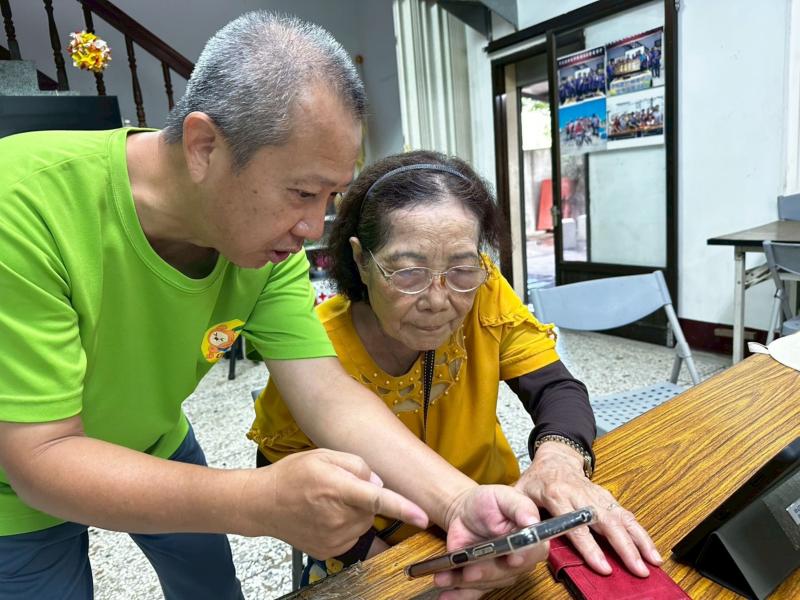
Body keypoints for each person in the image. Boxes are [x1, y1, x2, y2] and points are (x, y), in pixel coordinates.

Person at [0, 12, 552, 600]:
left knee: (210, 583)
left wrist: (458, 500)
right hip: (17, 488)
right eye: (303, 192)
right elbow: (43, 455)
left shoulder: (262, 245)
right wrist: (256, 500)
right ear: (204, 145)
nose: (314, 226)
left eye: (331, 196)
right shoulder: (25, 206)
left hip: (156, 438)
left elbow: (328, 394)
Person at [250, 150, 663, 586]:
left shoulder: (482, 290)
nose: (438, 299)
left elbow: (556, 388)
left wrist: (557, 462)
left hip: (499, 523)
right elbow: (280, 464)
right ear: (360, 261)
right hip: (378, 546)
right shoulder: (313, 351)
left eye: (462, 268)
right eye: (408, 272)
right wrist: (386, 562)